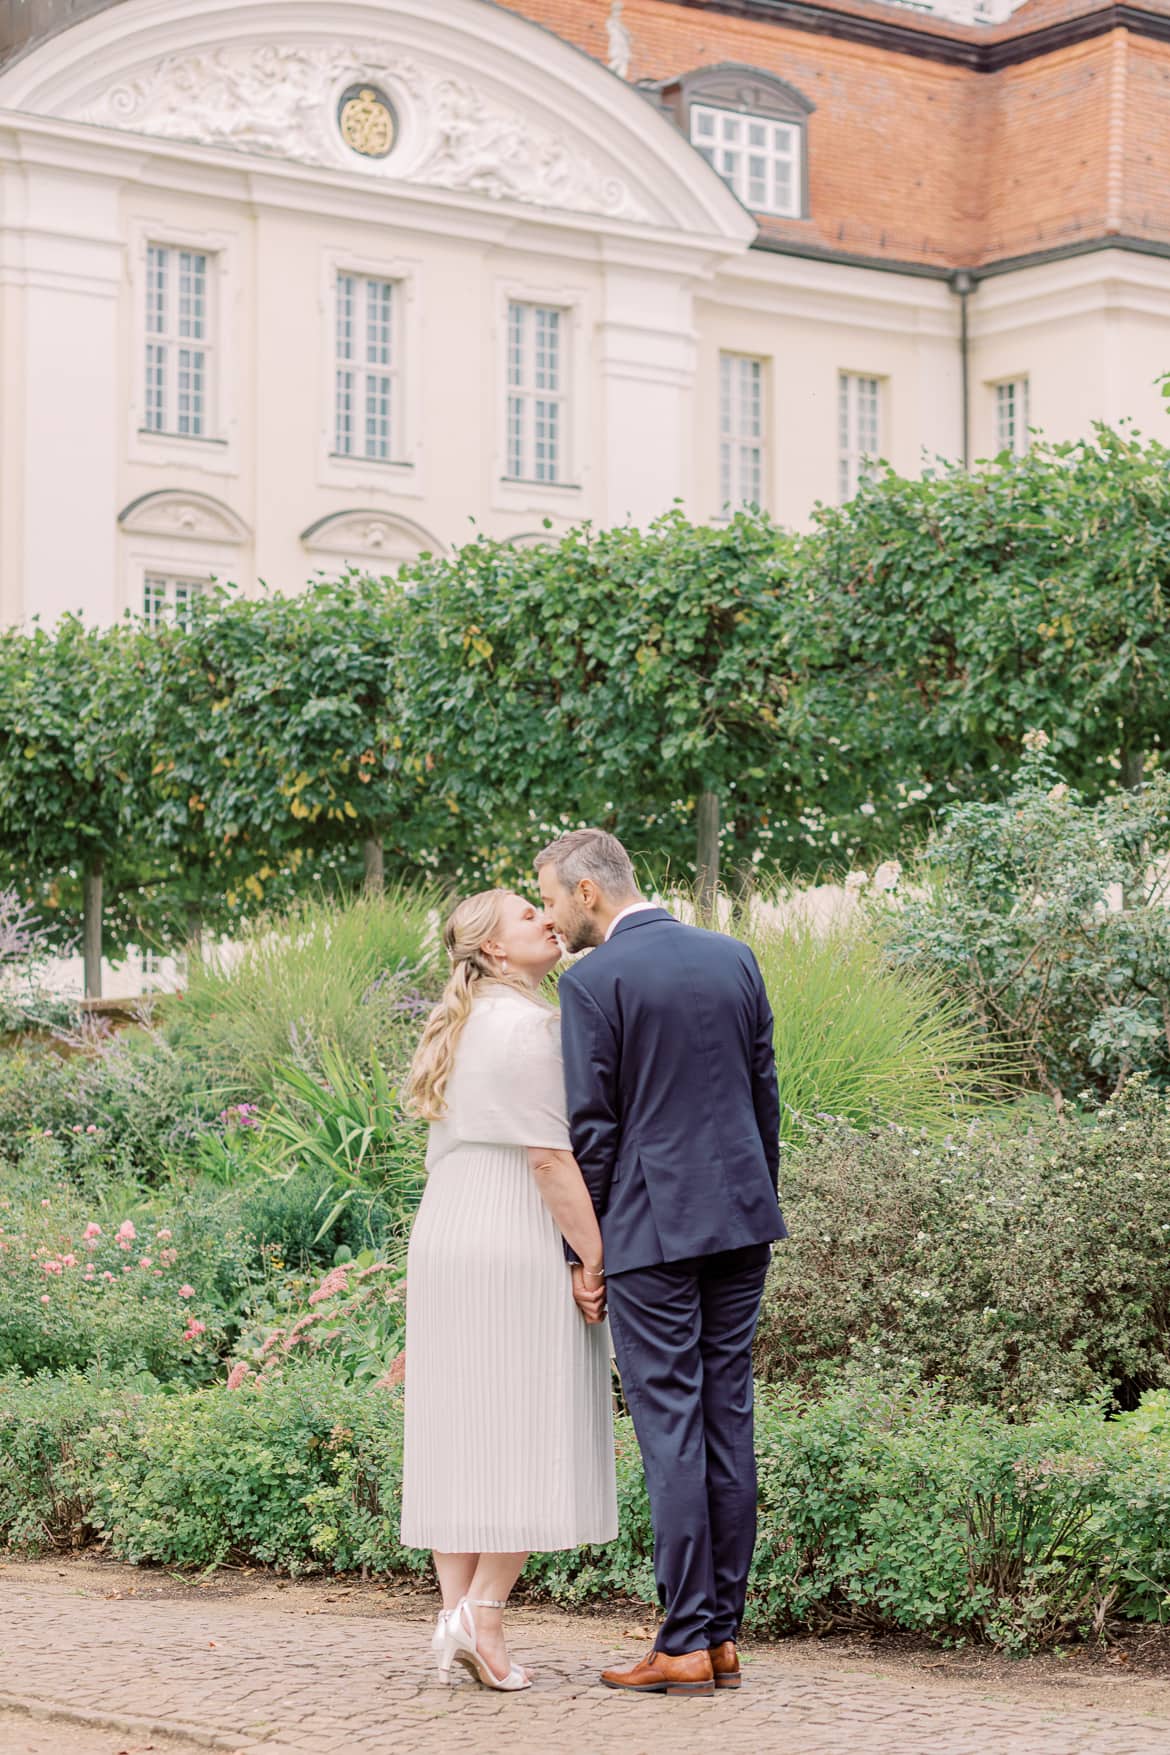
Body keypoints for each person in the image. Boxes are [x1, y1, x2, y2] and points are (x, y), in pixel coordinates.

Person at [536, 830, 786, 1699]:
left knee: (673, 1427)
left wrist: (587, 1252)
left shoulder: (593, 982)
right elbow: (765, 1097)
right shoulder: (734, 957)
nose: (551, 916)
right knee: (728, 1417)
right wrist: (753, 1199)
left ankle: (682, 1639)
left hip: (650, 1232)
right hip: (741, 1220)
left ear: (589, 891)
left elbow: (591, 1129)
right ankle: (719, 1637)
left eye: (554, 899)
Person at [400, 889, 617, 1692]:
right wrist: (595, 1257)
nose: (547, 921)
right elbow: (549, 1160)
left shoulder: (458, 1025)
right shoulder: (531, 1026)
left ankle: (460, 1620)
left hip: (448, 1227)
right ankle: (483, 1609)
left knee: (462, 1425)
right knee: (529, 1417)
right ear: (493, 951)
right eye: (528, 916)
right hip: (509, 1230)